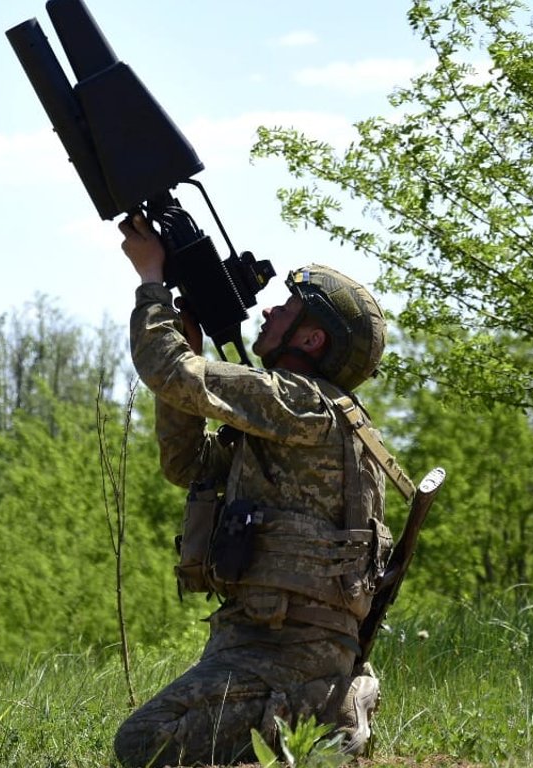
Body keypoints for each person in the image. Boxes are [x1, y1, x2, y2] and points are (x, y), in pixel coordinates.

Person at [113, 213, 394, 767]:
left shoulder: (302, 402)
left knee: (143, 743)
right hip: (257, 637)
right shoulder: (297, 415)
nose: (268, 310)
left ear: (311, 339)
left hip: (290, 647)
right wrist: (188, 344)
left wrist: (150, 280)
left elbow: (166, 368)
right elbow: (186, 463)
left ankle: (325, 710)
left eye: (286, 310)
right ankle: (322, 703)